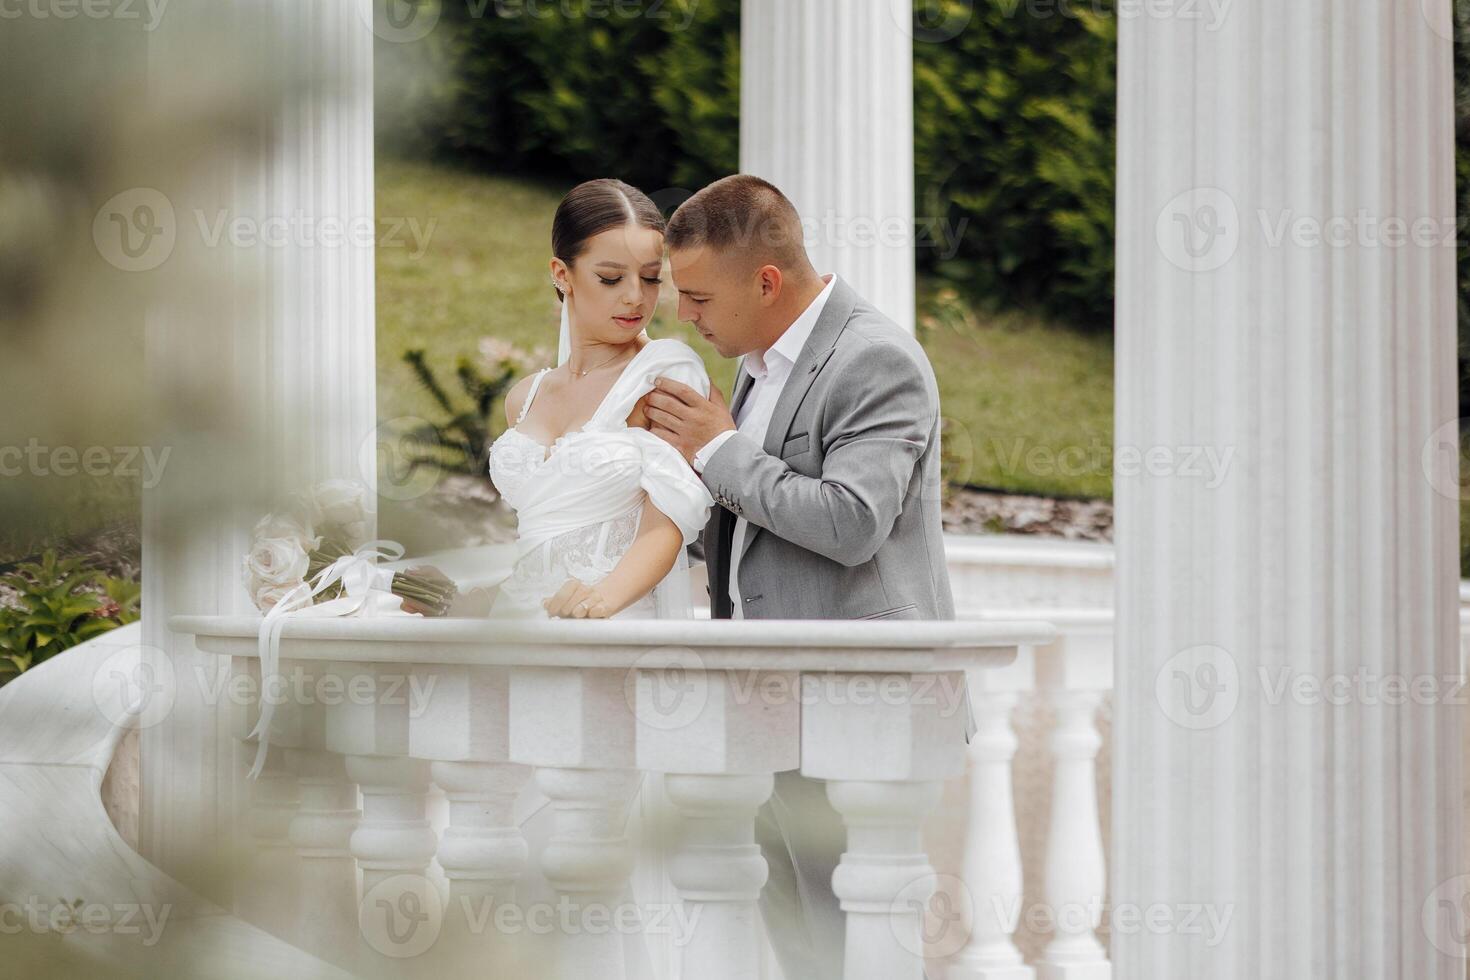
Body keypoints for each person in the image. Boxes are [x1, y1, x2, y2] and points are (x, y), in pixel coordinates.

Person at [641, 174, 963, 980]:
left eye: (699, 296)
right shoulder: (756, 365)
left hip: (858, 702)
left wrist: (718, 450)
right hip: (768, 708)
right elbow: (751, 528)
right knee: (797, 939)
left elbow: (854, 523)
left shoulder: (875, 357)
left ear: (767, 280)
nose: (686, 314)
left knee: (854, 941)